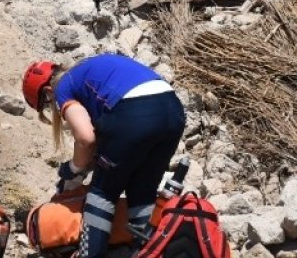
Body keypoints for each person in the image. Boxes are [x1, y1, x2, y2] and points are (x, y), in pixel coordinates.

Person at [21, 54, 186, 257]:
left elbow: (86, 138)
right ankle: (147, 252)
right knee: (142, 192)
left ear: (48, 92)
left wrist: (73, 169)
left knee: (102, 194)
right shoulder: (86, 69)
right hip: (172, 111)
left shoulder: (64, 86)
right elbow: (108, 143)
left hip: (134, 113)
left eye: (47, 105)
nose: (52, 108)